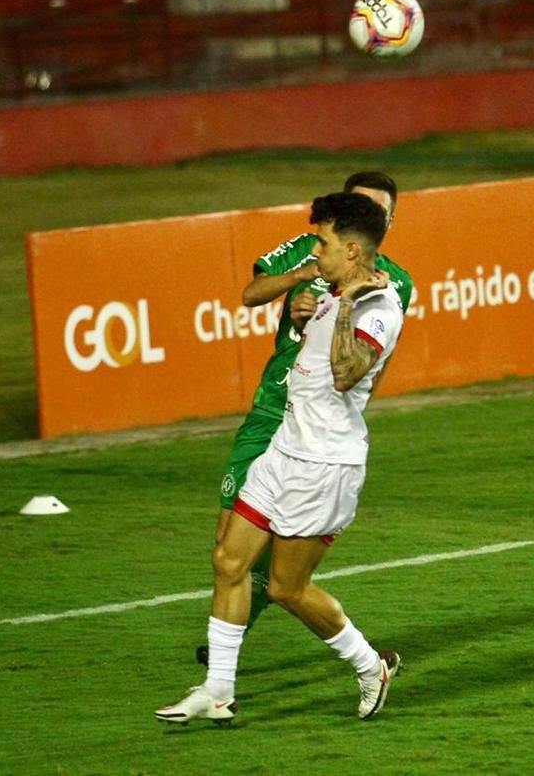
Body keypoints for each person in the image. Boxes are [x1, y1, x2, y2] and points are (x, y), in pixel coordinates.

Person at [156, 192, 405, 725]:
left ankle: (369, 667)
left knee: (288, 588)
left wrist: (341, 306)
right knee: (228, 561)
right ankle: (217, 691)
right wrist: (309, 310)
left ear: (355, 251)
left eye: (324, 243)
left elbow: (347, 373)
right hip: (282, 451)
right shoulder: (332, 291)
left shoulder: (379, 306)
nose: (316, 252)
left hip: (324, 466)